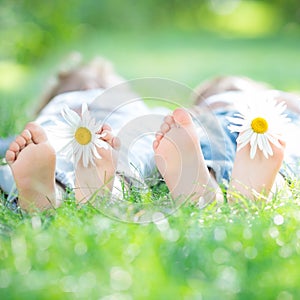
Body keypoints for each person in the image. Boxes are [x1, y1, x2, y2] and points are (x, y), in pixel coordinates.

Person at [1, 55, 300, 212]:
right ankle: (227, 186)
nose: (101, 84)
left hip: (259, 124)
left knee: (264, 151)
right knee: (131, 153)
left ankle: (203, 184)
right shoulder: (138, 110)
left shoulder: (214, 111)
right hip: (76, 130)